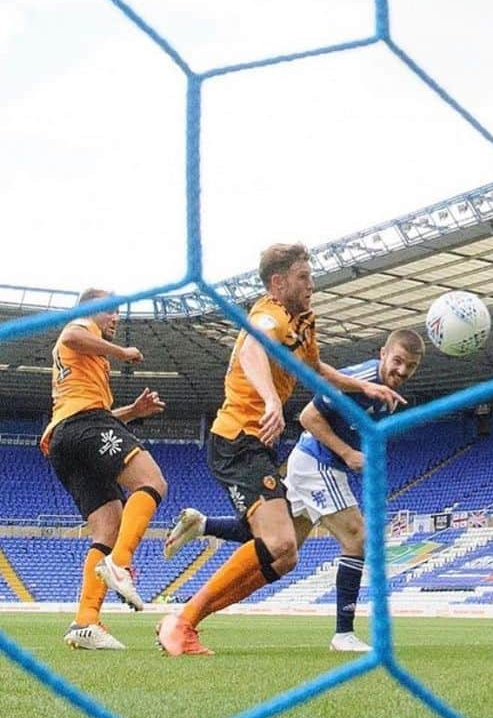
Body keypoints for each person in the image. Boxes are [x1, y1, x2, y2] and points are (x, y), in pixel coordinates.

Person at [155, 243, 404, 656]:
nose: (312, 284)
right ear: (278, 282)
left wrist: (363, 385)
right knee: (281, 543)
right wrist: (272, 400)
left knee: (285, 555)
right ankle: (183, 623)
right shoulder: (267, 315)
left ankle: (184, 619)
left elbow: (314, 369)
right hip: (237, 439)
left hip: (258, 446)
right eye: (303, 277)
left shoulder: (301, 322)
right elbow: (253, 349)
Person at [39, 288, 167, 649]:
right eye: (111, 312)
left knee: (108, 525)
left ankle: (86, 621)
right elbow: (70, 334)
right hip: (84, 425)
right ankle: (120, 565)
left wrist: (132, 413)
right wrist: (122, 353)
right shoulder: (82, 328)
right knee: (153, 481)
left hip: (65, 439)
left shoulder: (85, 364)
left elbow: (91, 410)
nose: (116, 319)